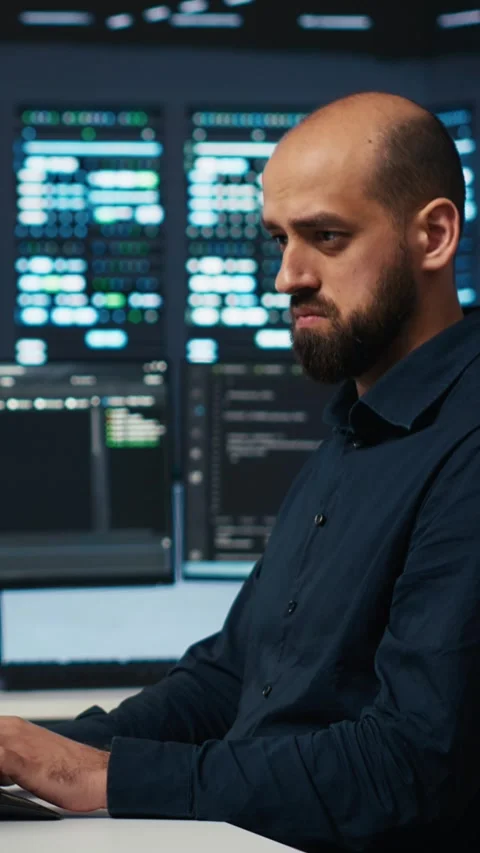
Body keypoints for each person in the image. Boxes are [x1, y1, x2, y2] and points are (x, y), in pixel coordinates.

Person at [1, 90, 480, 852]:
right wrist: (38, 753)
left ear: (434, 235)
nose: (287, 277)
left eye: (326, 236)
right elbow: (231, 679)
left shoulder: (467, 445)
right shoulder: (358, 433)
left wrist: (107, 778)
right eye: (278, 239)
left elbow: (412, 765)